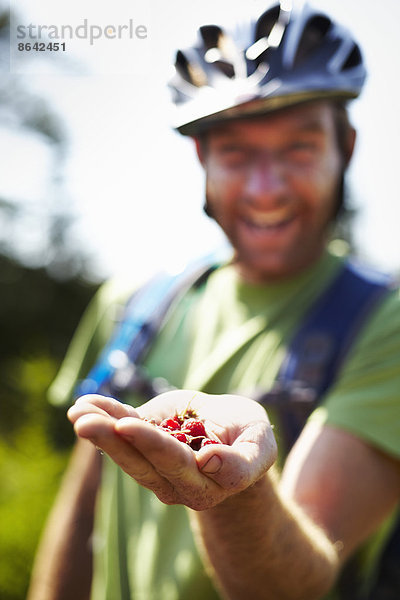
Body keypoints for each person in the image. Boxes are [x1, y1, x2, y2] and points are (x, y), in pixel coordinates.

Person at [27, 3, 400, 600]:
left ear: (346, 148)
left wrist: (236, 494)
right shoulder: (133, 304)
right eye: (235, 153)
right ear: (202, 159)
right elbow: (82, 512)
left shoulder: (389, 324)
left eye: (298, 149)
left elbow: (302, 582)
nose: (265, 189)